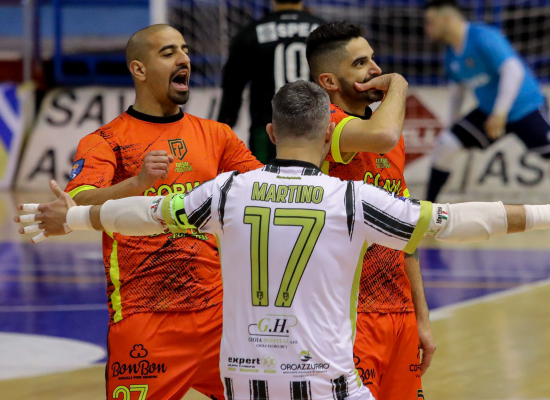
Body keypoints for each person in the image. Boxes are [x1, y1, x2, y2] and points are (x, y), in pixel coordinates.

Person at [16, 80, 550, 400]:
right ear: (328, 134)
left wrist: (77, 219)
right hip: (325, 385)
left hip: (244, 386)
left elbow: (146, 214)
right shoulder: (351, 200)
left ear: (271, 134)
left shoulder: (226, 192)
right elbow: (456, 222)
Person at [43, 24, 262, 400]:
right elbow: (77, 203)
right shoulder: (106, 141)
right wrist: (137, 182)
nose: (184, 58)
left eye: (185, 50)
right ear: (139, 69)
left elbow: (264, 191)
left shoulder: (217, 136)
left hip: (218, 318)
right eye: (169, 52)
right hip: (145, 320)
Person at [306, 22, 434, 399]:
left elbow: (405, 234)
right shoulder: (324, 126)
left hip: (398, 314)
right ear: (329, 81)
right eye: (361, 63)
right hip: (347, 317)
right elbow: (383, 135)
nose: (376, 69)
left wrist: (421, 319)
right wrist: (400, 86)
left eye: (373, 59)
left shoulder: (386, 134)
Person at [424, 0, 550, 202]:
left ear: (447, 18)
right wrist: (451, 123)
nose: (427, 28)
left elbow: (513, 70)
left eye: (430, 22)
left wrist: (500, 113)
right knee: (446, 144)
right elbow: (457, 90)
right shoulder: (450, 55)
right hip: (489, 112)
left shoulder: (483, 36)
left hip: (526, 108)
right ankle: (425, 209)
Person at [217, 0, 323, 163]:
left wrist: (223, 128)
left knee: (264, 178)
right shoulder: (324, 31)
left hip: (268, 130)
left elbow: (232, 88)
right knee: (317, 178)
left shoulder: (251, 32)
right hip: (316, 128)